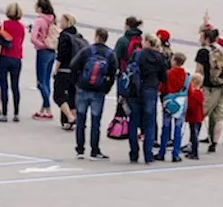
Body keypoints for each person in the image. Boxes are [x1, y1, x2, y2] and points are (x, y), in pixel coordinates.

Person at [71, 27, 117, 160]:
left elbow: (74, 65)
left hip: (83, 88)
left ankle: (80, 149)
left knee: (81, 120)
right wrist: (105, 88)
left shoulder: (87, 51)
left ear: (96, 36)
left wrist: (77, 82)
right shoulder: (110, 54)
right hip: (98, 91)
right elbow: (113, 73)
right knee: (95, 121)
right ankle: (94, 150)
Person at [127, 33, 169, 164]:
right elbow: (164, 77)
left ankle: (134, 153)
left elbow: (129, 70)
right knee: (150, 123)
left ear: (147, 42)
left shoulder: (137, 54)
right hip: (151, 90)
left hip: (135, 90)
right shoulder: (160, 57)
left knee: (133, 122)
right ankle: (148, 155)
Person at [195, 26, 223, 154]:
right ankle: (213, 144)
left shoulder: (202, 52)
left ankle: (192, 142)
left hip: (208, 88)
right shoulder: (220, 51)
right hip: (221, 86)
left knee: (199, 115)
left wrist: (195, 86)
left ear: (206, 39)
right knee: (218, 117)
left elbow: (199, 71)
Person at [0, 2, 26, 122]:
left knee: (4, 85)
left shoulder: (3, 24)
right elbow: (21, 40)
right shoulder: (21, 27)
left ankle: (4, 113)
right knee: (15, 86)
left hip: (4, 56)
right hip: (16, 57)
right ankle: (16, 113)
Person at [53, 14, 85, 131]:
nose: (60, 22)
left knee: (58, 96)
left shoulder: (64, 36)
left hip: (64, 70)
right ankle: (72, 118)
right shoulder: (78, 36)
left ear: (66, 22)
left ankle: (70, 117)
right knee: (71, 96)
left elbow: (61, 55)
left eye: (61, 21)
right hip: (75, 71)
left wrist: (56, 69)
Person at [157, 51, 189, 162]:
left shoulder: (168, 74)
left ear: (174, 61)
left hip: (168, 101)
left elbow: (162, 88)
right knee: (178, 128)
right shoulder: (185, 76)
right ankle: (175, 153)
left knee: (166, 127)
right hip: (180, 103)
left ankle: (162, 152)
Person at [31, 0, 59, 121]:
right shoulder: (52, 19)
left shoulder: (39, 20)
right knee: (46, 81)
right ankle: (43, 108)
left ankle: (47, 107)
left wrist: (41, 44)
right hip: (52, 52)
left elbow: (33, 38)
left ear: (40, 8)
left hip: (43, 51)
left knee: (40, 82)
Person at [185, 73, 206, 159]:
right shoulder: (200, 93)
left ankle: (194, 152)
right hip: (199, 117)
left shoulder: (193, 94)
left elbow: (191, 106)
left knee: (194, 135)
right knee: (195, 135)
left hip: (193, 117)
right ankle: (193, 152)